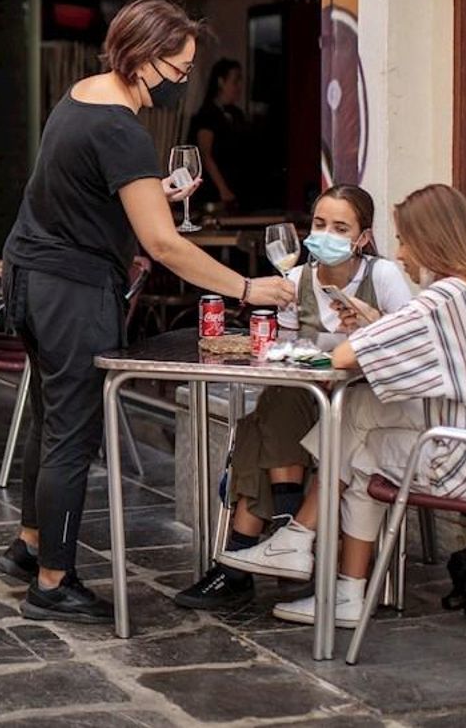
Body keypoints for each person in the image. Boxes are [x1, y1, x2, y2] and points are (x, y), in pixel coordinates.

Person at [0, 0, 296, 624]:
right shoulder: (123, 129)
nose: (183, 84)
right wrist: (249, 289)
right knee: (73, 433)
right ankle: (53, 582)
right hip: (71, 291)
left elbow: (77, 191)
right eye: (179, 70)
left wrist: (150, 193)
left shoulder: (82, 96)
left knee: (51, 420)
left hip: (30, 275)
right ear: (141, 57)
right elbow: (164, 246)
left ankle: (31, 545)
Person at [221, 183, 466, 627]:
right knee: (359, 411)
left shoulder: (443, 298)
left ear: (431, 242)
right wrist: (376, 325)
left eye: (407, 240)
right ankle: (311, 556)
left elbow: (341, 357)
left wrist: (368, 333)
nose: (402, 253)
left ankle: (316, 560)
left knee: (360, 446)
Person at [175, 184, 413, 609]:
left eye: (341, 228)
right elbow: (281, 358)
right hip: (309, 400)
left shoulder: (383, 277)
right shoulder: (296, 281)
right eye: (320, 224)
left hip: (366, 404)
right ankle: (286, 533)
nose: (326, 235)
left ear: (363, 237)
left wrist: (369, 326)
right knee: (272, 409)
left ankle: (240, 566)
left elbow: (408, 350)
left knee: (261, 423)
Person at [187, 58, 248, 210]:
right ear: (221, 81)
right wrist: (223, 189)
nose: (239, 86)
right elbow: (205, 154)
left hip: (237, 188)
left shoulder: (237, 114)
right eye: (235, 81)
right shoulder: (207, 115)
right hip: (215, 193)